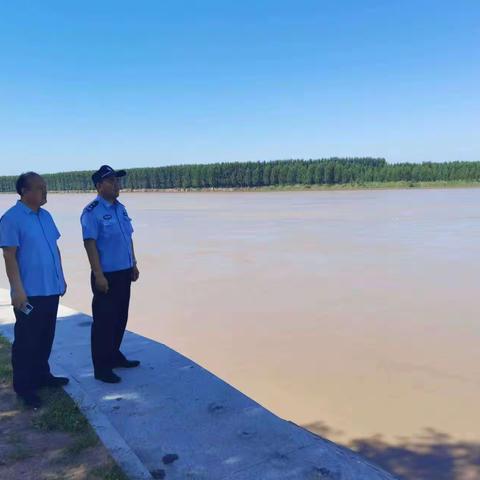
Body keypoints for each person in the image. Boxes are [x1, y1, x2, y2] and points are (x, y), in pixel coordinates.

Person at [0, 172, 69, 409]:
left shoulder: (46, 216)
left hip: (51, 289)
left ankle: (42, 375)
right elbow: (9, 256)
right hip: (29, 293)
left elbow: (54, 249)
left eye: (45, 187)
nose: (45, 191)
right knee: (27, 340)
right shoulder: (11, 218)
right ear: (25, 191)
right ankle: (24, 386)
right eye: (40, 188)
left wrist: (61, 278)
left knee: (46, 336)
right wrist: (17, 291)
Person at [81, 165, 140, 383]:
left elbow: (128, 238)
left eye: (117, 180)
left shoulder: (121, 208)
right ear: (99, 186)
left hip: (124, 272)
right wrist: (98, 274)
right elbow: (90, 244)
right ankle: (101, 367)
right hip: (106, 275)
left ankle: (114, 355)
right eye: (112, 181)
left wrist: (133, 263)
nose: (117, 185)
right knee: (104, 322)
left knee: (120, 318)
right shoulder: (92, 211)